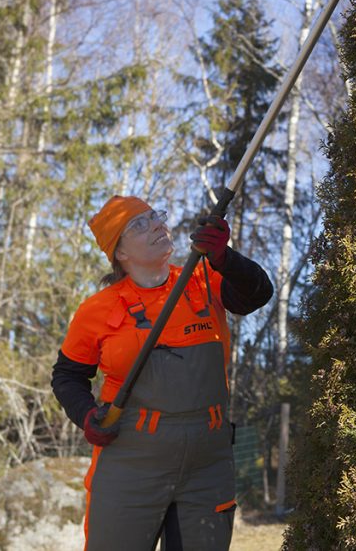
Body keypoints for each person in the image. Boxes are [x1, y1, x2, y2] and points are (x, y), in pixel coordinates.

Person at [51, 195, 273, 550]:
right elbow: (67, 376)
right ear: (120, 253)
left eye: (156, 217)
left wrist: (224, 258)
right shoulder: (97, 310)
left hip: (207, 463)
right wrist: (87, 415)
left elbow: (257, 294)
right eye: (139, 225)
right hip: (131, 463)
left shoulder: (202, 280)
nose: (157, 225)